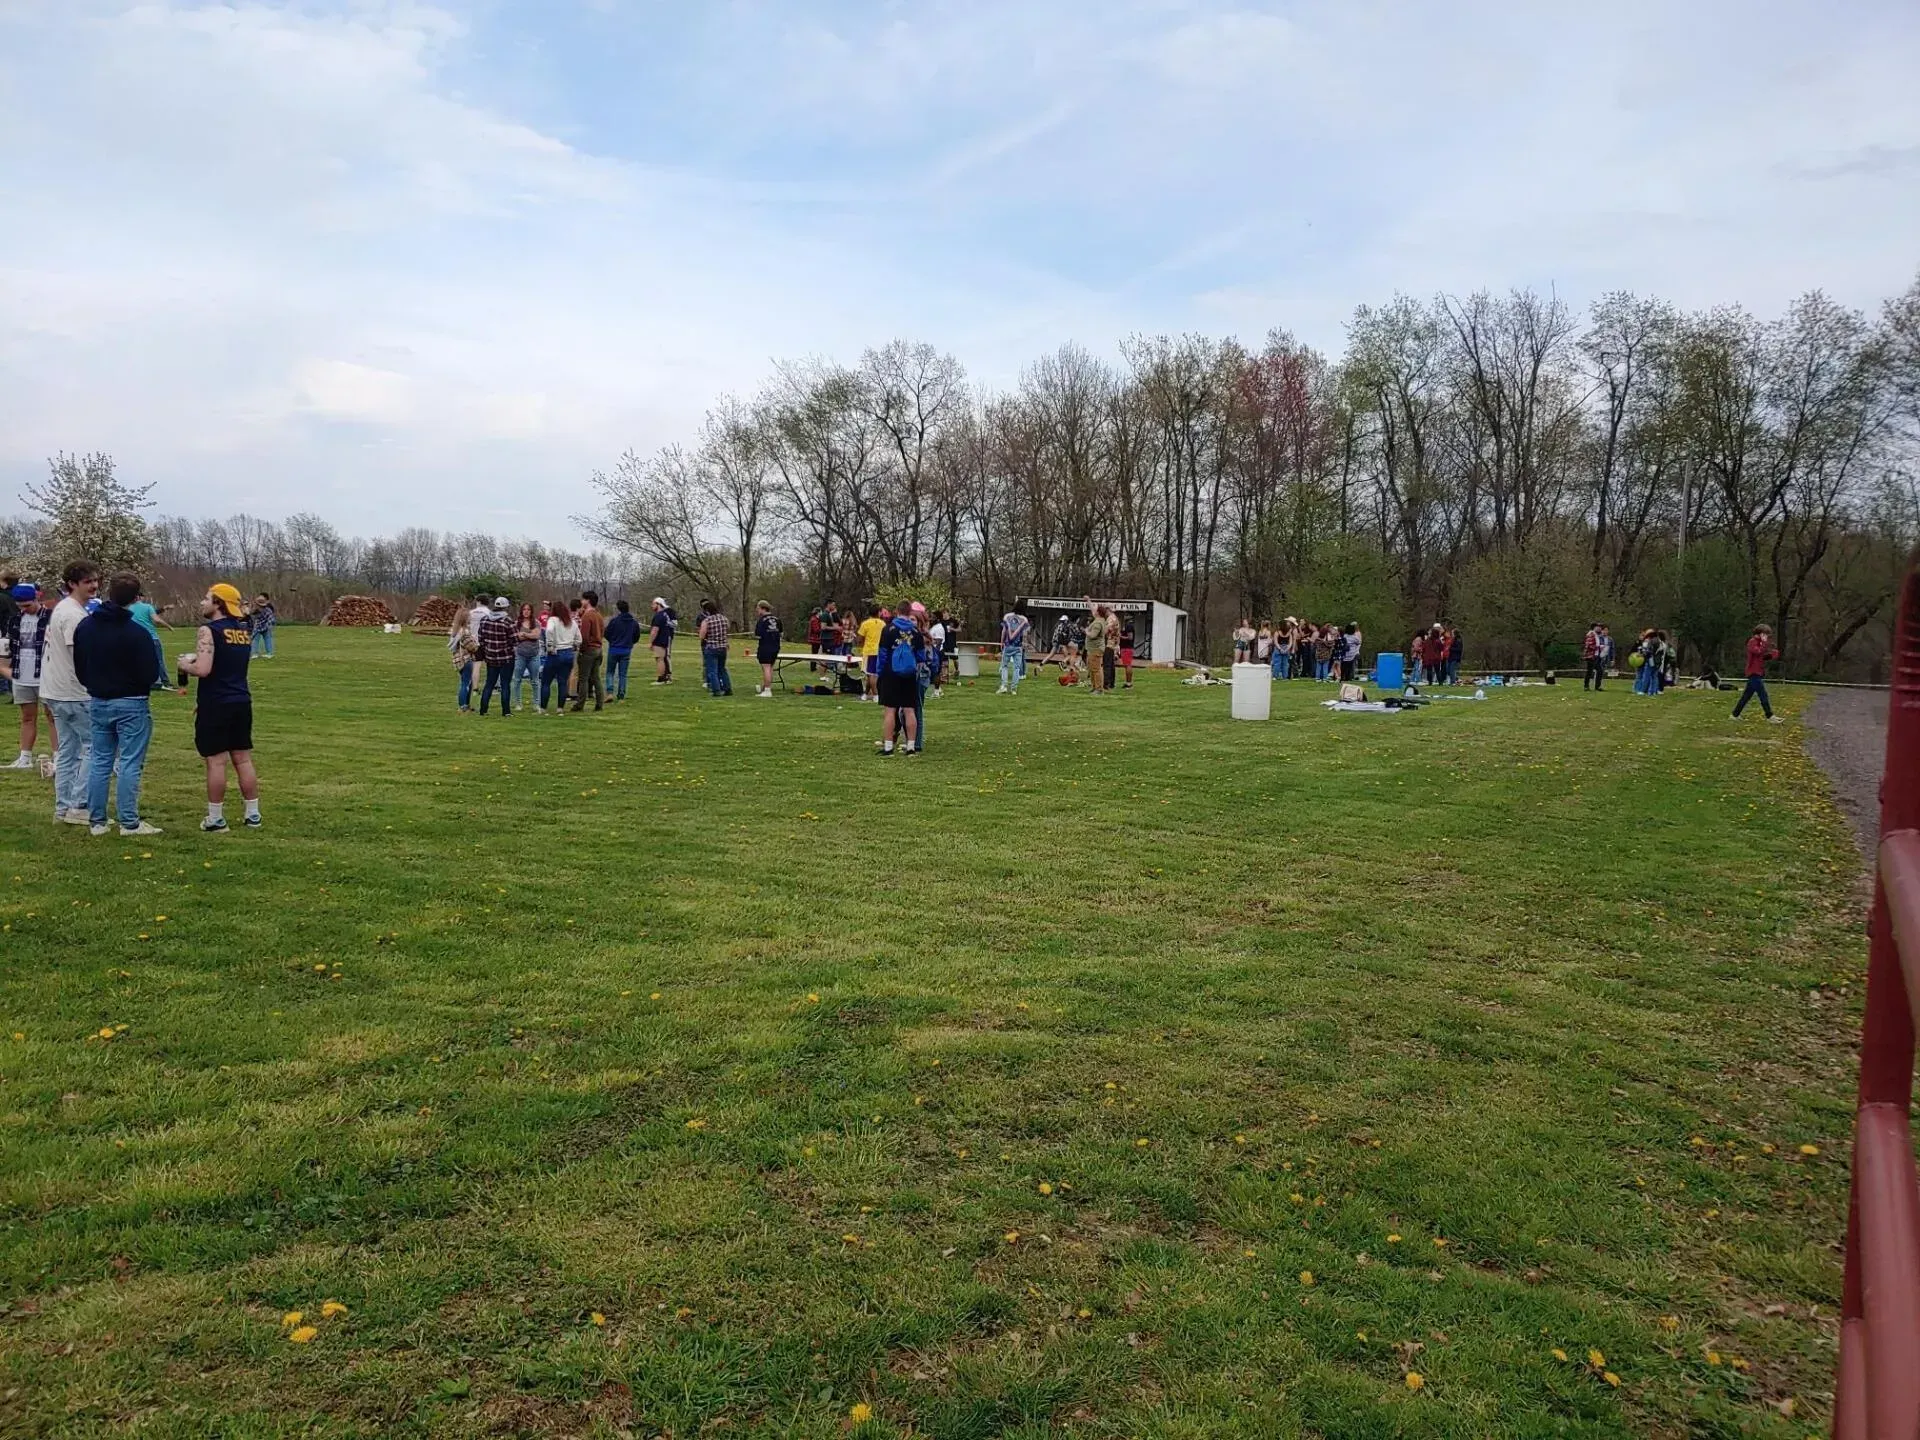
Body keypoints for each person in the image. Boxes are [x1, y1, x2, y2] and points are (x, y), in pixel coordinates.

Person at [73, 571, 162, 836]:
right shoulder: (137, 633)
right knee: (130, 762)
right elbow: (150, 672)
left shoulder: (86, 627)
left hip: (99, 700)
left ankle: (97, 821)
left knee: (100, 761)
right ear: (136, 599)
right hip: (131, 702)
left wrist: (93, 683)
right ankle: (129, 822)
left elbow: (79, 665)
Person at [177, 583, 262, 830]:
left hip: (216, 702)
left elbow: (203, 669)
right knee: (243, 759)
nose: (202, 603)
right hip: (241, 699)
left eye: (207, 598)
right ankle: (253, 814)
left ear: (218, 603)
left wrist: (185, 665)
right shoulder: (243, 631)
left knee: (215, 761)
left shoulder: (208, 630)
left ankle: (215, 819)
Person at [41, 561, 100, 824]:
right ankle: (79, 805)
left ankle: (62, 809)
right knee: (95, 747)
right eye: (88, 581)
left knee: (67, 751)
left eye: (96, 580)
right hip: (73, 692)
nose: (94, 585)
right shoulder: (73, 615)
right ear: (72, 584)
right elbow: (81, 655)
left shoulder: (65, 610)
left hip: (55, 690)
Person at [2, 584, 49, 770]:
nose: (24, 609)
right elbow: (9, 649)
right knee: (27, 717)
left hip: (45, 676)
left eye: (28, 605)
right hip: (23, 676)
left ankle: (59, 757)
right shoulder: (14, 620)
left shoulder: (50, 617)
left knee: (52, 717)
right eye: (20, 606)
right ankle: (25, 758)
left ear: (37, 599)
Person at [875, 607, 923, 756]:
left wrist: (879, 671)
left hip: (891, 672)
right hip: (909, 674)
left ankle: (889, 747)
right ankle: (910, 747)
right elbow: (921, 656)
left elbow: (882, 653)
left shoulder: (888, 629)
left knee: (890, 710)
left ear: (896, 611)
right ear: (910, 612)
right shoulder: (915, 632)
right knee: (909, 709)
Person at [1732, 624, 1782, 723]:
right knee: (1763, 694)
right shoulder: (1752, 642)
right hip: (1753, 672)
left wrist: (1772, 654)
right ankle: (1770, 716)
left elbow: (1762, 656)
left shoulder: (1760, 643)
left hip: (1758, 671)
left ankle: (1735, 715)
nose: (1767, 637)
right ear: (1760, 633)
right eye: (1765, 634)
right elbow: (1757, 652)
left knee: (1746, 696)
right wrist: (1764, 643)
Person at [475, 597, 515, 716]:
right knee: (505, 684)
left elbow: (480, 638)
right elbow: (515, 639)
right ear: (506, 607)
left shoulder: (484, 620)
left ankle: (483, 709)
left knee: (489, 683)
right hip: (506, 658)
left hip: (491, 658)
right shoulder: (507, 621)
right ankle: (506, 711)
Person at [540, 598, 580, 713]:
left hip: (555, 653)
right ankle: (560, 708)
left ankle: (543, 708)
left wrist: (550, 646)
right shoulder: (571, 622)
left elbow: (549, 631)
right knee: (563, 682)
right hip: (568, 653)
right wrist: (575, 645)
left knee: (546, 681)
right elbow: (579, 638)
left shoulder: (552, 620)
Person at [128, 587, 172, 690]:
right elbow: (156, 619)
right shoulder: (148, 607)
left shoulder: (129, 608)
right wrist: (168, 626)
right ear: (139, 597)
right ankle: (164, 682)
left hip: (136, 639)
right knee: (159, 660)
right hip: (152, 638)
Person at [603, 599, 640, 700]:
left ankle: (610, 692)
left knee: (610, 672)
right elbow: (636, 636)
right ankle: (621, 693)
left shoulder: (614, 621)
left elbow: (606, 633)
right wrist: (630, 642)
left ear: (619, 610)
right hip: (626, 649)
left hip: (614, 649)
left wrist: (612, 641)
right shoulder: (633, 623)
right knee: (622, 674)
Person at [697, 598, 732, 696]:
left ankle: (716, 690)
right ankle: (727, 688)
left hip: (712, 647)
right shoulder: (724, 619)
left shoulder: (707, 620)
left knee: (712, 670)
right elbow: (727, 630)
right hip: (723, 647)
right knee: (722, 669)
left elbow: (702, 635)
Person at [510, 602, 542, 710]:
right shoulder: (516, 624)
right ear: (521, 611)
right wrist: (529, 635)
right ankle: (518, 703)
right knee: (517, 680)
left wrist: (525, 634)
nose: (526, 611)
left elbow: (536, 635)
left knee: (535, 681)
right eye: (524, 609)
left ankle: (536, 704)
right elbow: (516, 637)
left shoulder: (536, 622)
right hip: (520, 655)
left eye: (528, 609)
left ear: (531, 611)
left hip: (534, 655)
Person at [449, 600, 478, 711]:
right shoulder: (464, 633)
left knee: (466, 682)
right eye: (469, 617)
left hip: (458, 660)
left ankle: (465, 704)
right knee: (466, 683)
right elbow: (472, 647)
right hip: (466, 659)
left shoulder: (455, 632)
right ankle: (462, 706)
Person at [998, 605, 1030, 694]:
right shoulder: (1024, 620)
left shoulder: (1007, 616)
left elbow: (1004, 631)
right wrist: (1024, 645)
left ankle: (1004, 686)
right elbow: (1025, 634)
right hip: (1018, 646)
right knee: (1017, 668)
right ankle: (1014, 689)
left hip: (1008, 645)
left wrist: (1001, 642)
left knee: (1004, 666)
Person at [857, 604, 885, 701]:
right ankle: (867, 694)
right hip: (879, 651)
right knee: (871, 674)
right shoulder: (883, 624)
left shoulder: (865, 624)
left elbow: (860, 639)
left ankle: (875, 695)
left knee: (871, 674)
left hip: (869, 651)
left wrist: (862, 646)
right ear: (878, 612)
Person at [753, 600, 781, 697]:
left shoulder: (761, 620)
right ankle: (766, 687)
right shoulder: (777, 619)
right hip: (776, 646)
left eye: (758, 608)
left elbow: (758, 635)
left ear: (762, 608)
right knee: (770, 668)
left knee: (766, 668)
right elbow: (781, 633)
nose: (757, 610)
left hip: (765, 646)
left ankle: (767, 690)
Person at [649, 598, 677, 683]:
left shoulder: (661, 615)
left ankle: (664, 677)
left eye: (653, 604)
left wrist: (651, 641)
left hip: (662, 639)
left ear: (658, 604)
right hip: (664, 638)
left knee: (661, 658)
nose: (651, 606)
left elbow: (655, 629)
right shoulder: (663, 615)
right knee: (663, 658)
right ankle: (665, 676)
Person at [250, 592, 276, 658]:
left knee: (268, 639)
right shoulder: (255, 610)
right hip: (257, 627)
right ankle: (254, 653)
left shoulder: (268, 610)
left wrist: (269, 625)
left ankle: (269, 653)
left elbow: (271, 619)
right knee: (255, 640)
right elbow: (251, 616)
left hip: (266, 627)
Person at [1120, 614, 1138, 688]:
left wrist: (1120, 636)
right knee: (1126, 665)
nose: (1124, 616)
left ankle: (1129, 683)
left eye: (1126, 615)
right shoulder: (1127, 626)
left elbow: (1130, 637)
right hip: (1125, 648)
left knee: (1128, 665)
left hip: (1127, 648)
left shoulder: (1129, 626)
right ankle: (1127, 682)